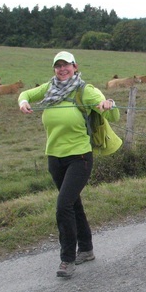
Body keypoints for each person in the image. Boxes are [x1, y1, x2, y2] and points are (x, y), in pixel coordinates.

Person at [18, 51, 119, 278]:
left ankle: (67, 259)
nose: (62, 69)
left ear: (75, 66)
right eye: (58, 66)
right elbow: (25, 93)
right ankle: (87, 249)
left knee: (63, 205)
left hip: (79, 157)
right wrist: (23, 101)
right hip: (54, 157)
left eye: (66, 65)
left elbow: (114, 116)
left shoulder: (85, 90)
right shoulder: (49, 89)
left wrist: (107, 105)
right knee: (73, 204)